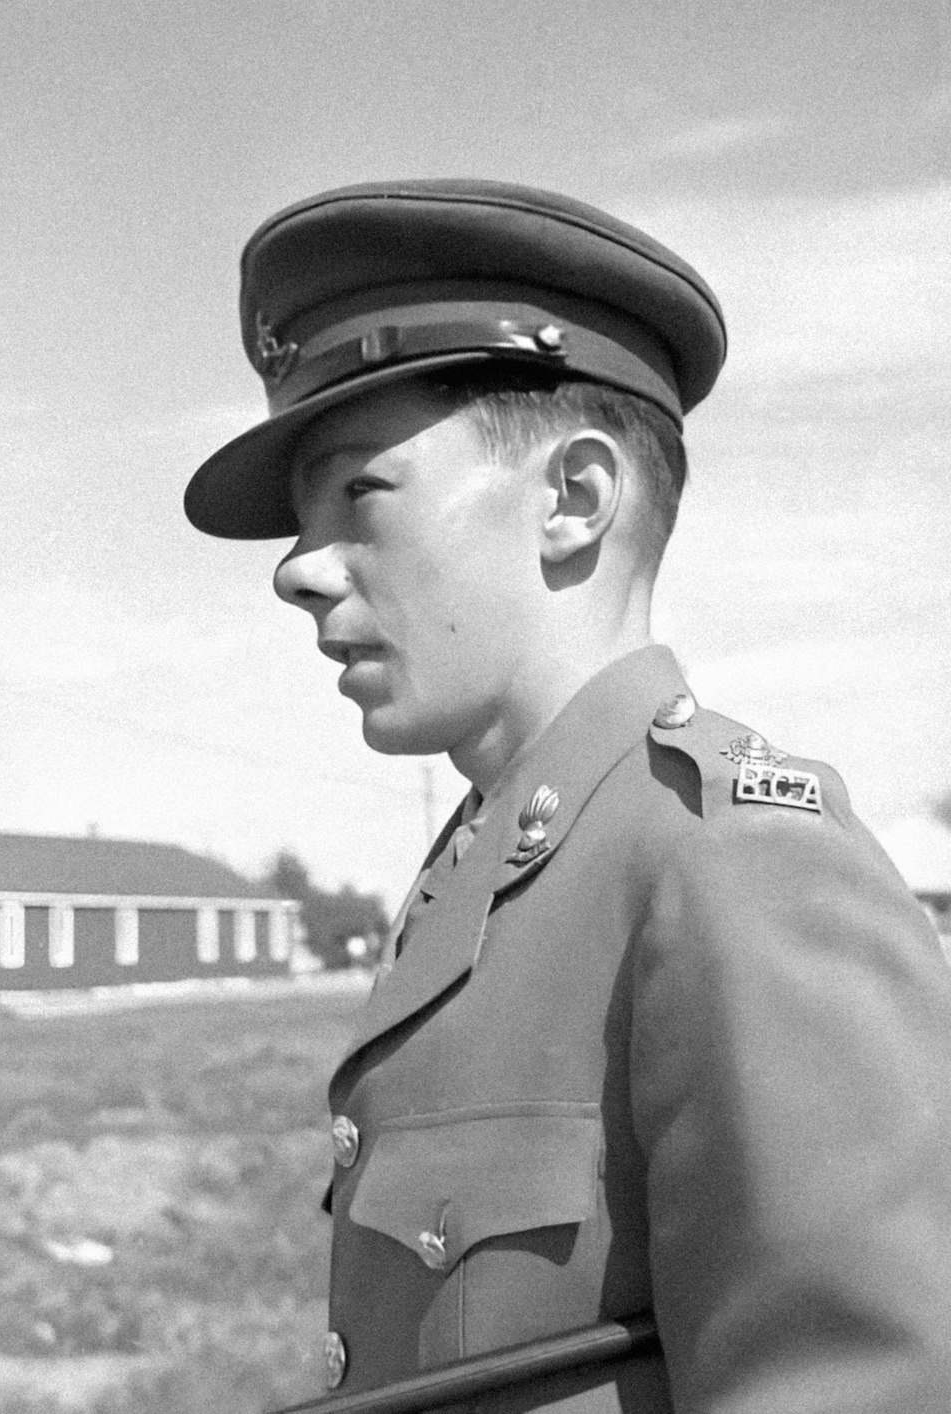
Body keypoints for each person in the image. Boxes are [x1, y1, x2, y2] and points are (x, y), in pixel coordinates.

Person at [184, 181, 951, 1413]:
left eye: (357, 492)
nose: (296, 568)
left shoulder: (730, 863)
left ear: (574, 500)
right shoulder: (489, 877)